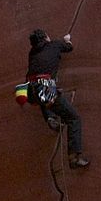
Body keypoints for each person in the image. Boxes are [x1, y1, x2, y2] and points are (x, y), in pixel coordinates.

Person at [26, 28, 90, 169]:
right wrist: (66, 40)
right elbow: (68, 48)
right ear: (46, 37)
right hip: (45, 87)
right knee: (73, 118)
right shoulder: (53, 45)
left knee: (43, 98)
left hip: (29, 90)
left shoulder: (32, 53)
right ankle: (74, 158)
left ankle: (50, 118)